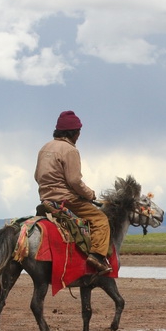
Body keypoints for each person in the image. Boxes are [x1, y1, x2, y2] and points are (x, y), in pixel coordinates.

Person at [35, 110, 112, 273]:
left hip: (46, 200)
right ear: (72, 132)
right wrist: (90, 194)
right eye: (78, 132)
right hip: (67, 200)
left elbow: (37, 176)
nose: (79, 136)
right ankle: (97, 257)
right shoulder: (70, 150)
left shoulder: (45, 148)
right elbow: (74, 180)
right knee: (100, 220)